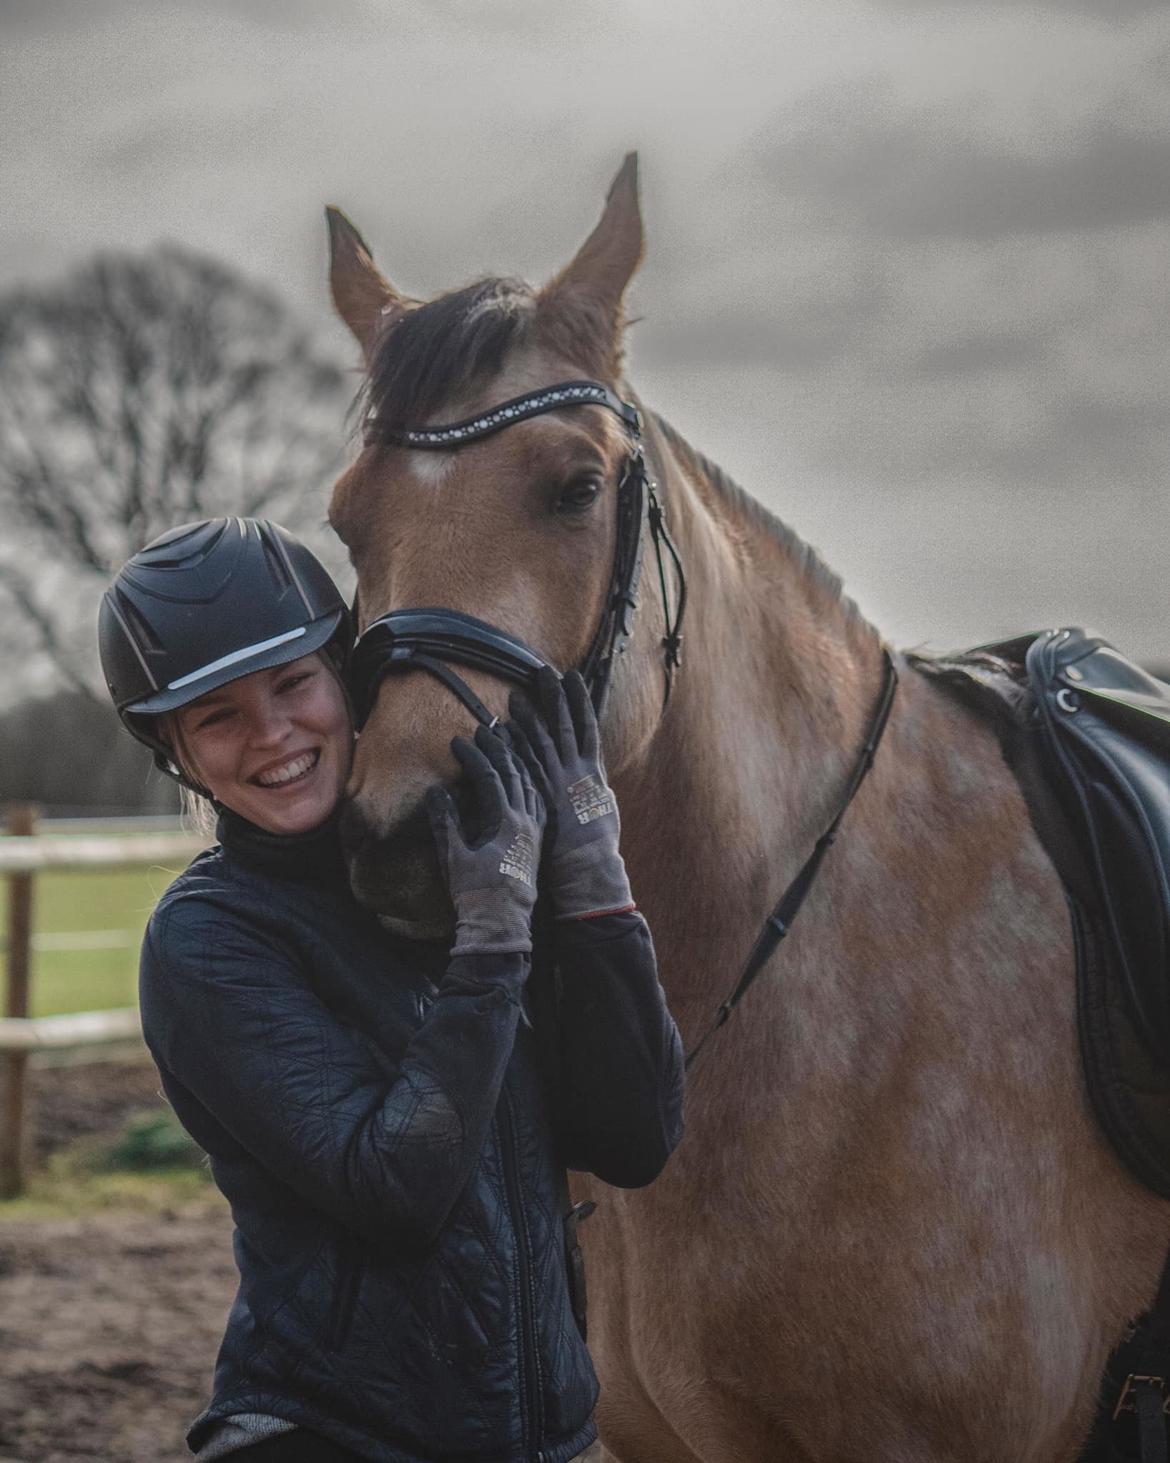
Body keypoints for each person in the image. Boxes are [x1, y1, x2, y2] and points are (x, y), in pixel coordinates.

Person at [98, 517, 685, 1463]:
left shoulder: (471, 868)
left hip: (550, 1439)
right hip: (333, 1438)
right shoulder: (207, 939)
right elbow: (395, 1187)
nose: (273, 733)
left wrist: (592, 880)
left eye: (294, 683)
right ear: (177, 754)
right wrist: (492, 942)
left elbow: (638, 1135)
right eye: (217, 716)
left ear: (345, 676)